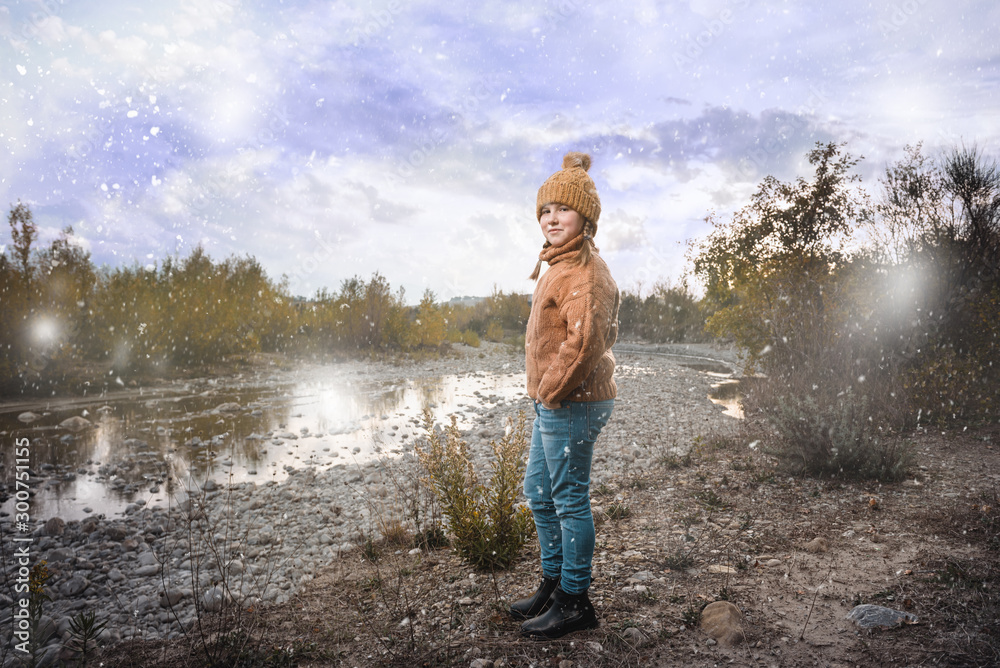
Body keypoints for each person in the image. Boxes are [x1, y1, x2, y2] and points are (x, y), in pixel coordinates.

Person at [511, 151, 619, 639]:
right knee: (539, 492)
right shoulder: (556, 264)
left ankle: (575, 601)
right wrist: (543, 394)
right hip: (554, 401)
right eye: (544, 210)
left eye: (563, 209)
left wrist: (549, 391)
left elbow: (585, 343)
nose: (551, 218)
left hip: (574, 401)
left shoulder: (586, 272)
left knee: (569, 499)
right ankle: (553, 586)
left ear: (586, 218)